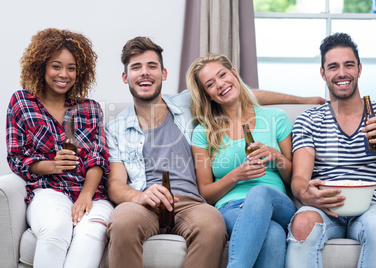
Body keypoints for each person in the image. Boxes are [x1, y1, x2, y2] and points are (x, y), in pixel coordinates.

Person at [105, 36, 324, 268]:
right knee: (122, 221)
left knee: (212, 225)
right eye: (136, 68)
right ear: (125, 76)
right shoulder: (116, 128)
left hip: (190, 203)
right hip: (145, 202)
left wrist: (303, 100)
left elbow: (240, 94)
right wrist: (137, 196)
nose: (144, 73)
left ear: (164, 73)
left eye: (152, 66)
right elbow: (115, 184)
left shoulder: (185, 105)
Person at [286, 32, 376, 268]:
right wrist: (303, 192)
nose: (341, 73)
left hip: (374, 207)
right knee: (301, 223)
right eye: (333, 67)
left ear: (359, 69)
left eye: (349, 65)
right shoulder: (309, 120)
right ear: (323, 73)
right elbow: (299, 177)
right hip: (327, 208)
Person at [6, 28, 113, 268]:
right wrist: (52, 165)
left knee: (89, 236)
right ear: (41, 67)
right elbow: (16, 157)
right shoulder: (22, 102)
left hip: (92, 194)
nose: (64, 74)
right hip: (48, 190)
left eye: (71, 68)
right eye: (56, 66)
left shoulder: (90, 108)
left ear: (80, 71)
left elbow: (99, 158)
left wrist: (86, 196)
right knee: (56, 228)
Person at [187, 53, 297, 268]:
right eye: (210, 84)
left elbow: (296, 177)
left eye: (222, 75)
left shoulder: (276, 118)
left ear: (234, 74)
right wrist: (236, 175)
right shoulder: (203, 132)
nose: (220, 84)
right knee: (273, 234)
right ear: (207, 95)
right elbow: (205, 193)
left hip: (277, 203)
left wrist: (276, 156)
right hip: (230, 208)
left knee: (259, 193)